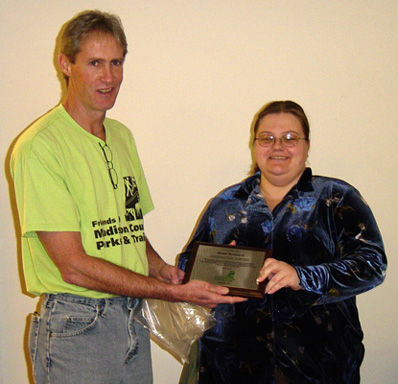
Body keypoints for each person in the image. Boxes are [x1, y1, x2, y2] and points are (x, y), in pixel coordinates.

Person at [9, 10, 245, 384]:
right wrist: (170, 293)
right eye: (95, 63)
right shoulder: (41, 146)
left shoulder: (121, 137)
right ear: (65, 64)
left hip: (131, 317)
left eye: (116, 62)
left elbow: (128, 229)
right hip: (77, 326)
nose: (109, 77)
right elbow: (72, 265)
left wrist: (162, 270)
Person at [178, 100, 387, 384]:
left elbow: (373, 265)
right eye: (267, 138)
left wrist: (302, 276)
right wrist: (214, 267)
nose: (278, 146)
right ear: (254, 145)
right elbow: (185, 266)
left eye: (290, 138)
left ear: (307, 145)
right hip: (231, 365)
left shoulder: (336, 198)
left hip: (318, 363)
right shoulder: (224, 203)